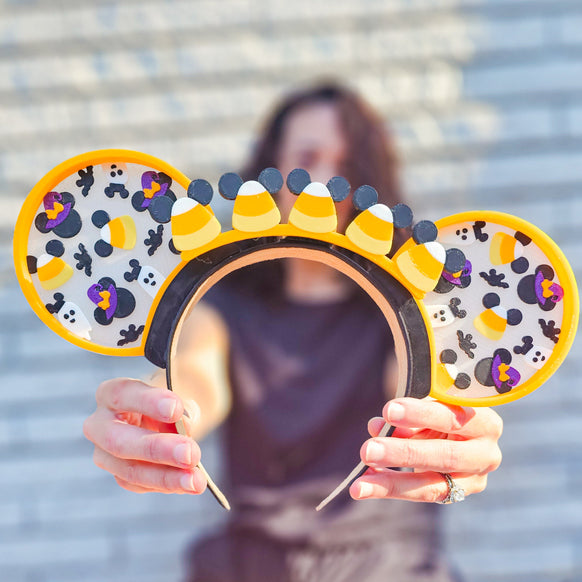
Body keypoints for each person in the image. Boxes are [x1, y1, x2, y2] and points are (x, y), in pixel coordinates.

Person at [83, 81, 503, 582]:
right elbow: (195, 373)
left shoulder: (403, 309)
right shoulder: (223, 302)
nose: (325, 182)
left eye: (346, 168)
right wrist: (157, 416)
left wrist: (447, 424)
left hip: (390, 568)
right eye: (308, 158)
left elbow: (418, 380)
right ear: (272, 171)